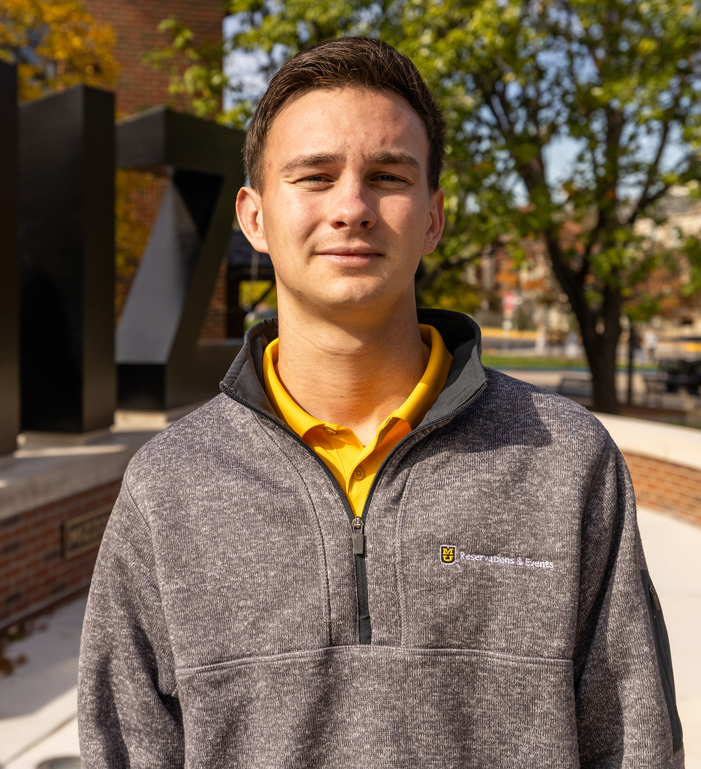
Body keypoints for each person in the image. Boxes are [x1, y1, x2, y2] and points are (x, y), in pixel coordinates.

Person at [78, 37, 683, 767]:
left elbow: (635, 745)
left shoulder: (565, 462)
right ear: (254, 217)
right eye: (315, 176)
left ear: (433, 218)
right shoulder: (169, 486)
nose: (352, 208)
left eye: (388, 177)